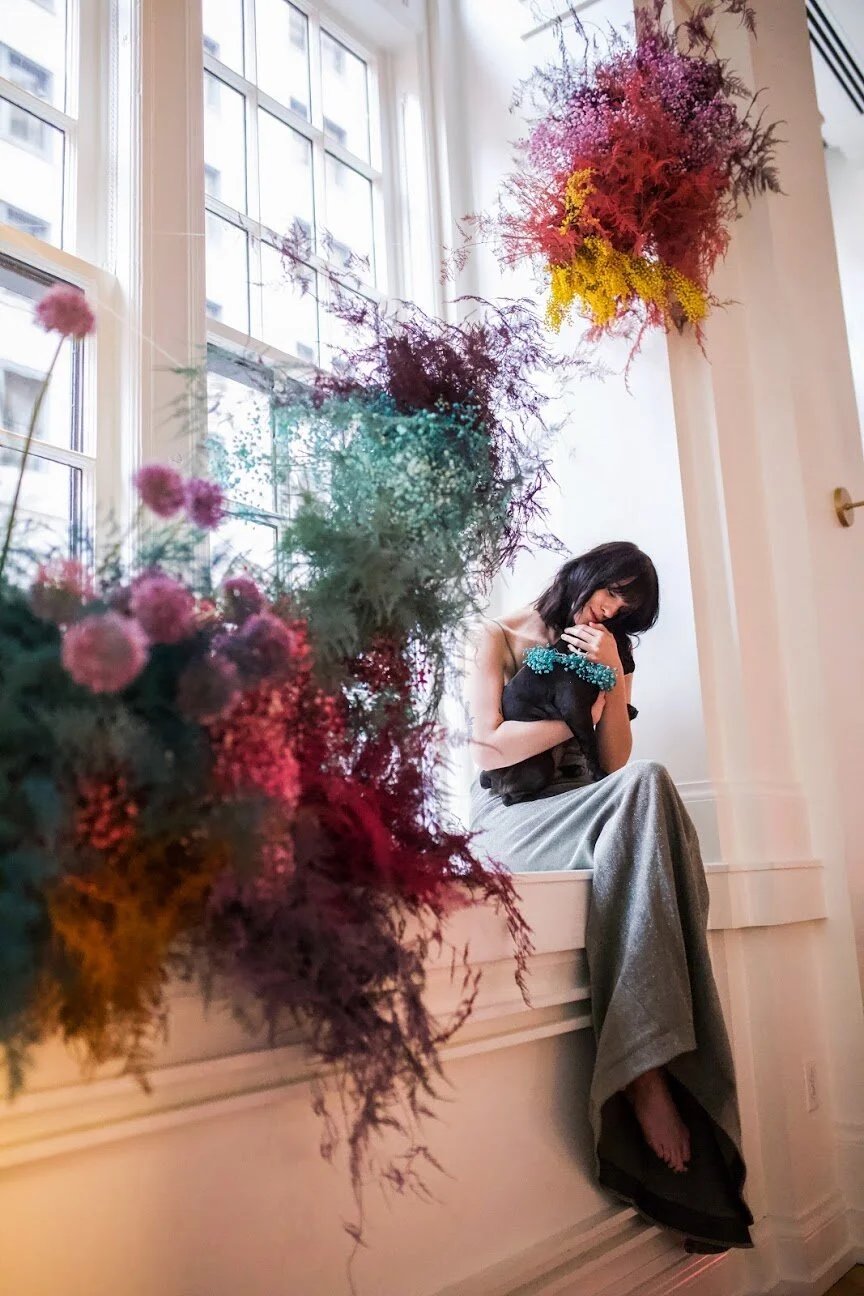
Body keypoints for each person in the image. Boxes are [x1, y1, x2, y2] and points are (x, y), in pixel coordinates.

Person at [466, 541, 753, 1252]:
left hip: (586, 810)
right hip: (513, 823)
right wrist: (577, 712)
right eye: (613, 591)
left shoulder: (610, 649)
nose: (613, 608)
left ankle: (650, 1067)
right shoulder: (499, 635)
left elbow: (616, 765)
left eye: (629, 607)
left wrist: (615, 682)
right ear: (586, 573)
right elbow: (487, 748)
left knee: (649, 783)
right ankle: (646, 1074)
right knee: (652, 798)